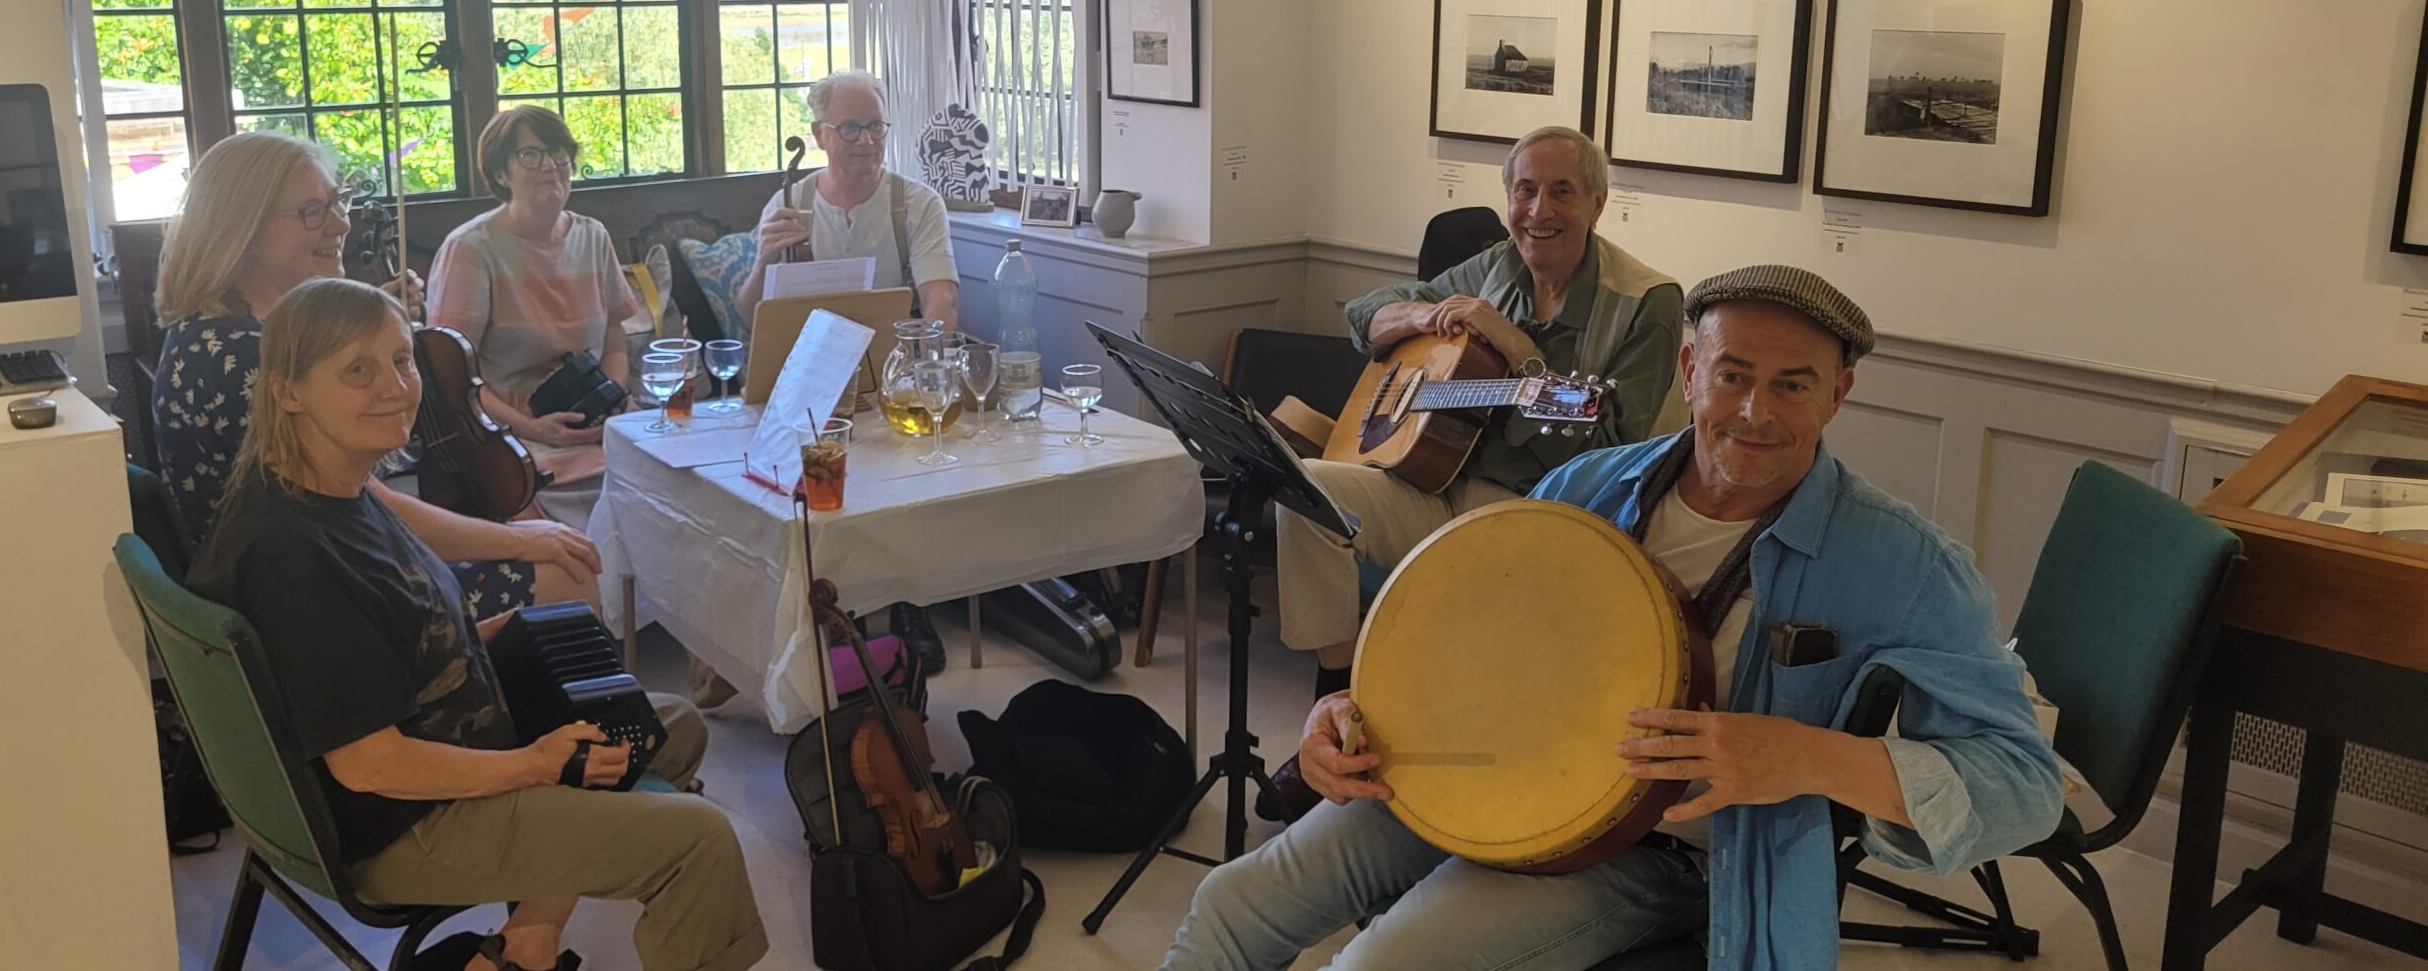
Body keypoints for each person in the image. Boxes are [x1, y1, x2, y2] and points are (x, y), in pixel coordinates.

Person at [1160, 265, 2064, 971]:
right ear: (1690, 372)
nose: (1756, 413)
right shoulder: (1585, 488)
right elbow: (1461, 645)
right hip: (1483, 776)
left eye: (1794, 385)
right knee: (1231, 904)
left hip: (1665, 848)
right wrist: (1345, 713)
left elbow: (2025, 781)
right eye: (1733, 375)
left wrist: (1805, 756)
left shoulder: (1906, 564)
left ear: (1840, 393)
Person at [186, 277, 765, 971]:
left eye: (401, 360)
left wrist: (484, 635)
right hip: (406, 824)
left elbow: (372, 647)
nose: (395, 387)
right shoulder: (296, 556)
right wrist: (535, 764)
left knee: (668, 727)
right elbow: (371, 764)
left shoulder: (327, 485)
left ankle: (521, 950)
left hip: (436, 757)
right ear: (288, 392)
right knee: (696, 839)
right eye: (357, 370)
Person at [1264, 125, 1684, 818]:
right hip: (1438, 486)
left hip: (1543, 514)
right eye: (1525, 190)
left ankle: (1419, 765)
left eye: (1561, 191)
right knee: (1304, 487)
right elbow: (1362, 315)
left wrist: (1520, 353)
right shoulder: (1496, 265)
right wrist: (1423, 313)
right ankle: (1340, 706)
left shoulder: (1646, 300)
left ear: (1597, 203)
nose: (1538, 211)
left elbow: (1616, 448)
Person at [151, 130, 600, 620]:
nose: (341, 223)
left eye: (338, 201)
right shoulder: (247, 358)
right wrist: (514, 540)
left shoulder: (217, 331)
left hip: (317, 570)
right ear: (245, 231)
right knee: (567, 570)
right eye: (312, 211)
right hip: (314, 601)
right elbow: (366, 507)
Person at [428, 105, 639, 528]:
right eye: (530, 155)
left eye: (558, 152)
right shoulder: (471, 249)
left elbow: (615, 340)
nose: (550, 165)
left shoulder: (592, 236)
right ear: (501, 174)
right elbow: (449, 377)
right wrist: (534, 428)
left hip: (595, 420)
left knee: (661, 478)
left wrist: (610, 400)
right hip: (508, 434)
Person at [735, 70, 960, 329]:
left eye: (875, 126)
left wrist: (925, 352)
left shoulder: (919, 204)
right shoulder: (788, 205)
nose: (866, 140)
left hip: (893, 351)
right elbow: (750, 317)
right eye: (850, 128)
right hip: (807, 354)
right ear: (819, 134)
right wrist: (764, 262)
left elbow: (942, 300)